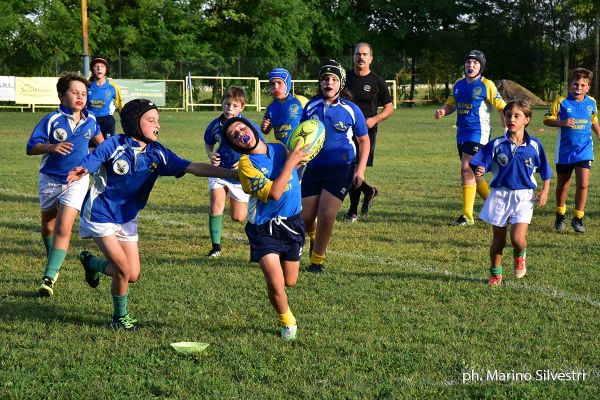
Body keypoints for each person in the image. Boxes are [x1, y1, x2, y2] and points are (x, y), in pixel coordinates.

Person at [67, 99, 237, 331]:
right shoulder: (115, 144)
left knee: (133, 274)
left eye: (158, 120)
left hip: (127, 217)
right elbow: (95, 157)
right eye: (151, 120)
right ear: (135, 123)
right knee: (123, 269)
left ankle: (92, 263)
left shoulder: (158, 153)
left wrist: (230, 174)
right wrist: (83, 168)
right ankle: (119, 318)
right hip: (100, 214)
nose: (158, 125)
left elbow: (192, 167)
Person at [222, 116, 310, 340]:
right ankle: (287, 321)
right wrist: (291, 162)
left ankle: (278, 290)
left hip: (292, 223)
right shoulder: (246, 165)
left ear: (251, 128)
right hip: (264, 228)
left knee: (290, 281)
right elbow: (273, 193)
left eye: (242, 127)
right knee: (276, 281)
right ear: (235, 145)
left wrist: (306, 152)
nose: (240, 133)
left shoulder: (280, 148)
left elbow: (297, 165)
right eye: (234, 135)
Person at [26, 72, 104, 297]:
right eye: (74, 92)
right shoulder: (51, 120)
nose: (80, 97)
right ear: (61, 96)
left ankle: (49, 277)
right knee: (48, 227)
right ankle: (54, 260)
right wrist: (51, 147)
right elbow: (31, 147)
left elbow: (103, 147)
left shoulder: (91, 121)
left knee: (64, 227)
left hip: (76, 181)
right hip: (50, 180)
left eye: (84, 93)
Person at [469, 100, 552, 286]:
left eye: (517, 116)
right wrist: (480, 169)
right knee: (499, 240)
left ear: (527, 120)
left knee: (517, 239)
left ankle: (520, 255)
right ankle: (495, 274)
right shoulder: (497, 144)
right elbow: (479, 161)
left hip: (524, 196)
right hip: (500, 195)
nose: (511, 119)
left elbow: (545, 170)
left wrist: (545, 189)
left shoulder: (535, 145)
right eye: (508, 116)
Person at [301, 59, 369, 273]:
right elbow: (302, 138)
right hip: (314, 168)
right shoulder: (310, 107)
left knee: (327, 214)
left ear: (341, 84)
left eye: (333, 79)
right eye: (324, 79)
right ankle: (313, 237)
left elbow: (364, 140)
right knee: (305, 217)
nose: (328, 83)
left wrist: (360, 169)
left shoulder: (351, 110)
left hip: (341, 168)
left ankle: (317, 261)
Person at [435, 50, 506, 226]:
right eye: (468, 62)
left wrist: (507, 130)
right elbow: (451, 104)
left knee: (466, 169)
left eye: (475, 63)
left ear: (481, 66)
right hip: (462, 133)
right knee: (474, 173)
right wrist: (444, 111)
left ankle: (467, 215)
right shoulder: (458, 85)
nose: (471, 65)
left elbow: (502, 108)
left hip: (479, 133)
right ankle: (497, 206)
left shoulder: (487, 85)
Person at [543, 67, 600, 233]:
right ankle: (560, 215)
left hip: (584, 150)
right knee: (563, 185)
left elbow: (593, 120)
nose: (579, 87)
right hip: (565, 151)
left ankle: (578, 218)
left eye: (583, 85)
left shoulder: (592, 102)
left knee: (583, 184)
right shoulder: (561, 102)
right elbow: (547, 120)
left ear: (588, 87)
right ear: (570, 85)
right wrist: (562, 122)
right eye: (576, 84)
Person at [203, 86, 258, 257]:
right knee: (216, 205)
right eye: (227, 104)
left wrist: (244, 162)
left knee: (238, 217)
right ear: (222, 104)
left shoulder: (247, 126)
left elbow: (259, 149)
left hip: (239, 176)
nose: (230, 109)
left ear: (242, 108)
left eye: (235, 106)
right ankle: (216, 247)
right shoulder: (215, 125)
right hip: (219, 171)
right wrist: (211, 155)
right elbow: (208, 142)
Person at [344, 42, 394, 222]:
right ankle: (369, 191)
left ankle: (352, 211)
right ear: (353, 57)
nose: (361, 57)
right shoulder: (345, 79)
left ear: (371, 59)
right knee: (347, 169)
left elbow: (389, 108)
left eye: (365, 54)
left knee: (356, 169)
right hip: (345, 131)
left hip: (366, 133)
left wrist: (374, 119)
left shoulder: (377, 81)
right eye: (358, 54)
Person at [261, 67, 308, 146]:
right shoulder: (271, 107)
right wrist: (264, 127)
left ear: (287, 84)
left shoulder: (300, 101)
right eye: (273, 83)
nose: (275, 87)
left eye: (279, 83)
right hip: (281, 149)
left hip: (299, 148)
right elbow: (266, 131)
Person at [86, 56, 123, 144]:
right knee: (90, 148)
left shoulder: (113, 87)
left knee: (106, 147)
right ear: (92, 69)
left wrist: (127, 122)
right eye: (96, 66)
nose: (99, 69)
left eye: (102, 66)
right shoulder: (86, 86)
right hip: (90, 120)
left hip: (107, 121)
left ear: (106, 69)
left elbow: (120, 107)